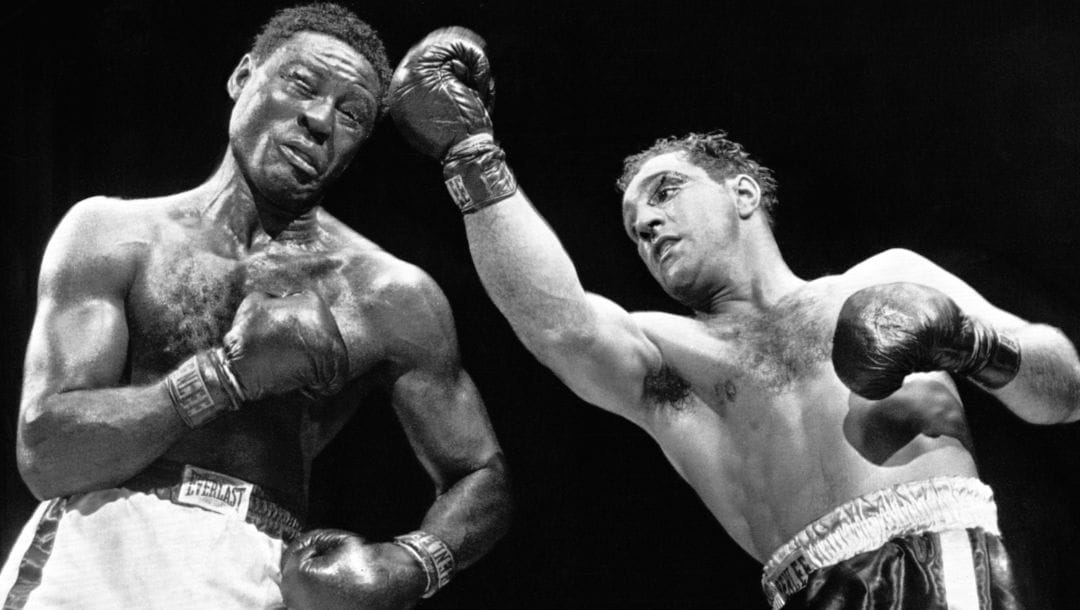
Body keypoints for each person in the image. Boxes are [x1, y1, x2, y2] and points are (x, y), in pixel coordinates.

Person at [387, 28, 1080, 608]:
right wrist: (468, 152)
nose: (649, 222)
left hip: (944, 570)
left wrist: (972, 343)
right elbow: (556, 322)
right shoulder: (671, 359)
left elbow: (1065, 392)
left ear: (742, 192)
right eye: (633, 227)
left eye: (666, 192)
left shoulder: (886, 276)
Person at [0, 5, 511, 609]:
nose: (320, 120)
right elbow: (47, 458)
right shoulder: (111, 234)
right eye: (302, 84)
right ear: (244, 76)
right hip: (98, 545)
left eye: (351, 114)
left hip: (256, 572)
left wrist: (409, 564)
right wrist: (221, 379)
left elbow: (483, 476)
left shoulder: (387, 295)